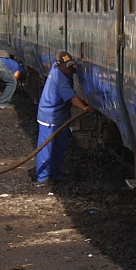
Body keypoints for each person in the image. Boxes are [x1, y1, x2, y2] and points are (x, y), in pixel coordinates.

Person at [35, 51, 91, 186]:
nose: (69, 69)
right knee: (46, 148)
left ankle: (55, 174)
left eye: (70, 66)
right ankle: (43, 178)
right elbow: (72, 97)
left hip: (61, 116)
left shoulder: (57, 66)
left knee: (59, 147)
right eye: (66, 67)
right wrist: (85, 108)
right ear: (59, 66)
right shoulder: (59, 78)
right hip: (50, 117)